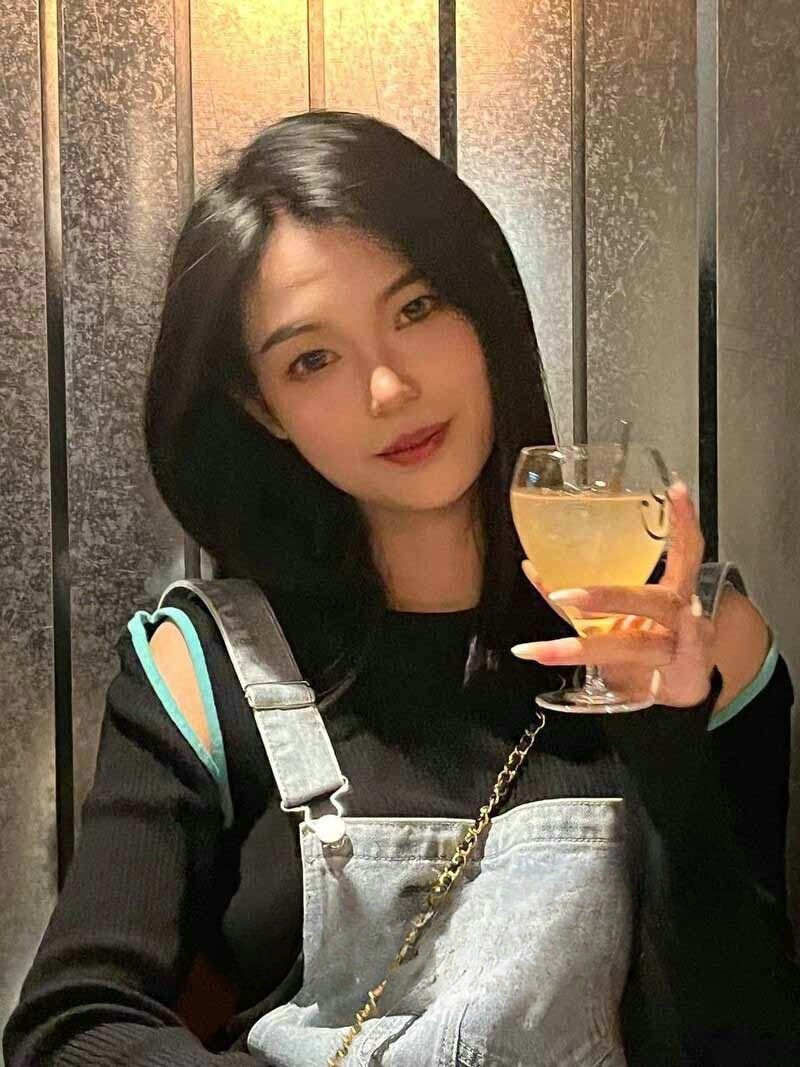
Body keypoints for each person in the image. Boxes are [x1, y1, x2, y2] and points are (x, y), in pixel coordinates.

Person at [4, 111, 799, 1066]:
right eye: (312, 359)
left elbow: (747, 1040)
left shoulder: (705, 641)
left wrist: (669, 745)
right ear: (264, 409)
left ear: (480, 304)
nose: (388, 387)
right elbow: (69, 1024)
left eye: (416, 308)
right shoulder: (205, 672)